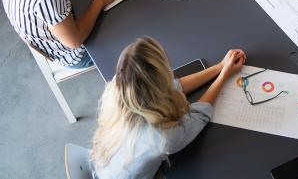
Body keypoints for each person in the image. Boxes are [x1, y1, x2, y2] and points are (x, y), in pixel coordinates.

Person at [90, 37, 246, 179]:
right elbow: (200, 114)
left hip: (102, 166)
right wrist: (224, 76)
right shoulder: (163, 137)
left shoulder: (119, 85)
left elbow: (176, 86)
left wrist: (220, 66)